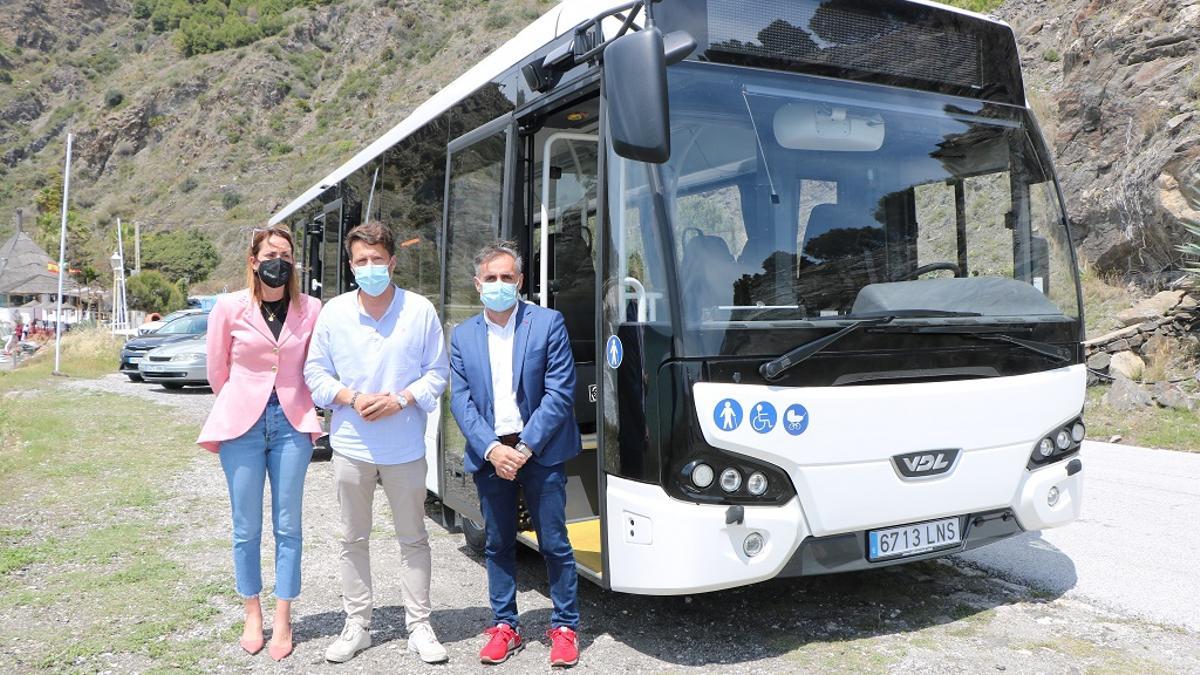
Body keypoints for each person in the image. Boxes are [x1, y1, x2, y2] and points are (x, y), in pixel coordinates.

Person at [303, 221, 450, 665]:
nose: (370, 267)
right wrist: (350, 397)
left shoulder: (419, 310)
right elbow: (314, 373)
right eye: (361, 260)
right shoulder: (335, 313)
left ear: (393, 262)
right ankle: (358, 625)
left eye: (377, 259)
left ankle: (419, 625)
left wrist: (401, 399)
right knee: (353, 538)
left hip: (404, 446)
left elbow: (437, 373)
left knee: (414, 538)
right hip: (351, 446)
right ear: (351, 266)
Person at [448, 241, 582, 667]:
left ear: (520, 281)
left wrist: (523, 449)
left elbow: (559, 392)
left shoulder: (547, 323)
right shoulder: (463, 335)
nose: (499, 284)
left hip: (540, 449)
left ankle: (565, 627)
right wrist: (492, 449)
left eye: (507, 277)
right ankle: (505, 625)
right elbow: (461, 401)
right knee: (498, 542)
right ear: (478, 284)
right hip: (491, 453)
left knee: (555, 543)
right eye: (491, 278)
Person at [197, 224, 323, 661]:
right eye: (270, 255)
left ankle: (283, 615)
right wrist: (242, 402)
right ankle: (252, 611)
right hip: (241, 426)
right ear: (253, 261)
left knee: (289, 526)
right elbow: (217, 371)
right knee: (246, 526)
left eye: (286, 255)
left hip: (292, 423)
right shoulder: (228, 307)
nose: (278, 262)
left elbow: (314, 365)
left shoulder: (311, 309)